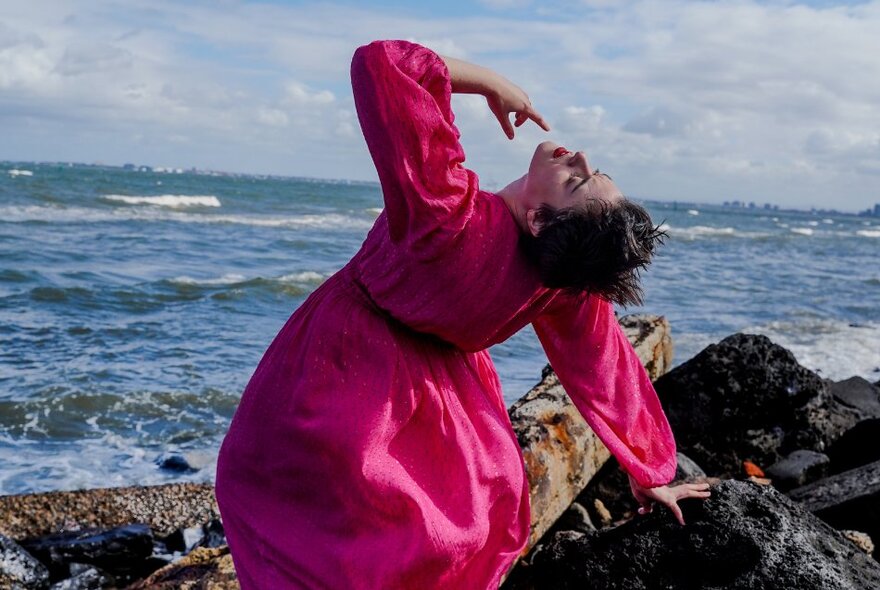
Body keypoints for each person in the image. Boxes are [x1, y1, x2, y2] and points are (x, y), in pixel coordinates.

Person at [215, 39, 711, 589]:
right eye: (594, 170)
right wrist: (650, 471)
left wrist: (488, 83)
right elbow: (602, 365)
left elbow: (381, 63)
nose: (582, 158)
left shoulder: (446, 213)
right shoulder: (558, 280)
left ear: (543, 222)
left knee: (287, 509)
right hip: (442, 396)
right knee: (439, 530)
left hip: (342, 366)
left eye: (577, 180)